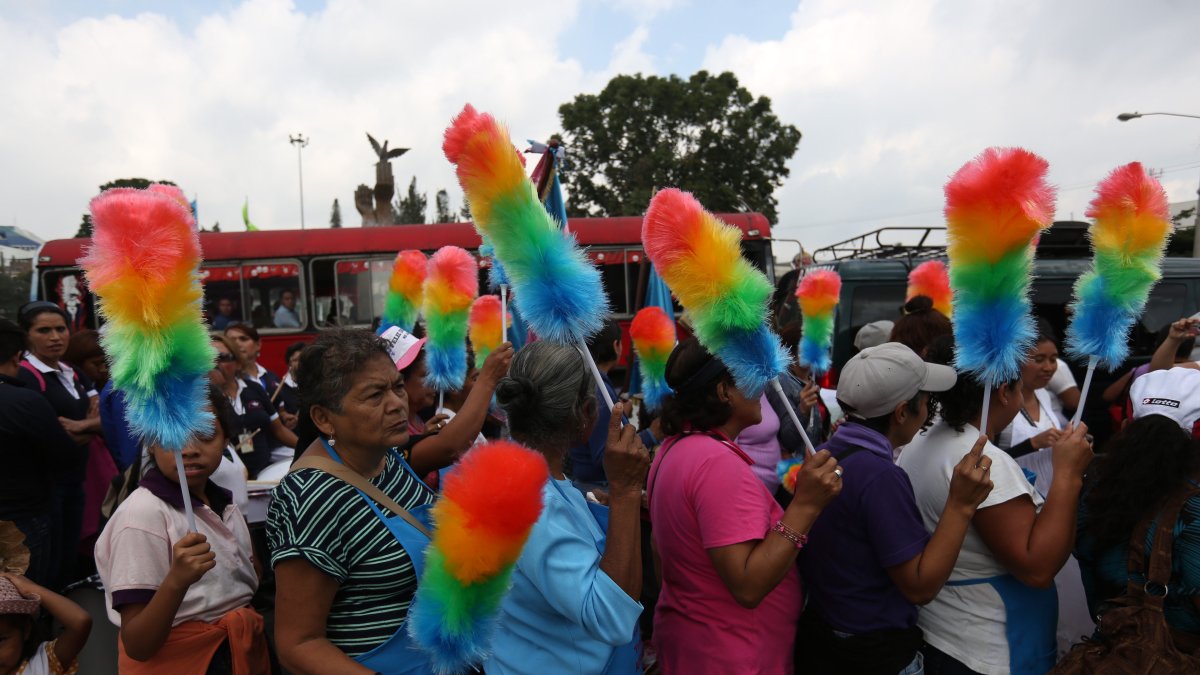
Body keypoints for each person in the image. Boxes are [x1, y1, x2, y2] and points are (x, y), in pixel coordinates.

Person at [899, 336, 1093, 675]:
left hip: (944, 635)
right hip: (989, 650)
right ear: (1003, 391)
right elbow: (1037, 568)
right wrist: (1068, 475)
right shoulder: (983, 463)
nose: (1021, 399)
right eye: (1020, 389)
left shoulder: (923, 437)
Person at [647, 338, 843, 674]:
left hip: (698, 641)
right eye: (751, 375)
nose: (764, 385)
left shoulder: (674, 448)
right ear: (724, 391)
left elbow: (660, 554)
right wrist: (806, 505)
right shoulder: (716, 463)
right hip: (731, 655)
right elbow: (748, 586)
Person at [797, 343, 991, 675]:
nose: (931, 408)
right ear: (902, 412)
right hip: (871, 654)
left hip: (826, 638)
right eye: (927, 400)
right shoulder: (880, 476)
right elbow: (920, 585)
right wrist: (961, 504)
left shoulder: (826, 455)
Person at [268, 328, 440, 673]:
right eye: (374, 396)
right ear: (323, 418)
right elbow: (298, 643)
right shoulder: (312, 498)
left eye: (397, 387)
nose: (396, 404)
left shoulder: (386, 456)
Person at [488, 341, 651, 674]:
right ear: (585, 414)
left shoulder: (519, 479)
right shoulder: (532, 502)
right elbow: (611, 618)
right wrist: (625, 491)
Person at [95, 383, 268, 674]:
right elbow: (137, 644)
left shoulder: (222, 502)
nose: (188, 450)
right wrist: (177, 580)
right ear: (150, 441)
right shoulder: (142, 517)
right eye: (171, 435)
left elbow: (249, 577)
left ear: (226, 439)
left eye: (205, 434)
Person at [1076, 367, 1200, 643]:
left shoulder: (1094, 484)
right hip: (1179, 654)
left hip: (1113, 647)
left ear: (1126, 427)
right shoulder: (1194, 506)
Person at [17, 301, 100, 587]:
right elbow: (51, 434)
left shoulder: (72, 371)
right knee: (48, 568)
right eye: (44, 330)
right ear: (26, 335)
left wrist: (83, 426)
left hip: (77, 479)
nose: (55, 337)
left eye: (60, 329)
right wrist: (90, 428)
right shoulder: (27, 376)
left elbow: (100, 412)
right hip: (48, 485)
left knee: (69, 559)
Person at [0, 320, 81, 588]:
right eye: (44, 331)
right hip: (22, 521)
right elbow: (66, 457)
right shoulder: (24, 401)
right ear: (17, 356)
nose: (54, 337)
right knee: (29, 600)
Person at [211, 335, 296, 477]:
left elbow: (279, 430)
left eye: (223, 357)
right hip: (229, 475)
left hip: (265, 471)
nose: (215, 363)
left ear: (237, 363)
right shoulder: (205, 398)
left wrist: (306, 449)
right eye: (208, 358)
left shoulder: (254, 388)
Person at [996, 318, 1063, 489]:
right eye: (1039, 359)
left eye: (1053, 359)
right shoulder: (999, 404)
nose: (1048, 367)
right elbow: (986, 460)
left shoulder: (1045, 396)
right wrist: (1032, 444)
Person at [0, 572, 91, 675]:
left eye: (0, 640)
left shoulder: (42, 663)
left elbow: (80, 622)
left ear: (26, 629)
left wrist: (31, 589)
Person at [223, 323, 281, 395]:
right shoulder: (222, 380)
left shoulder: (271, 377)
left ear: (258, 344)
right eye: (231, 340)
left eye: (243, 339)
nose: (237, 344)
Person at [275, 341, 306, 430]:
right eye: (296, 360)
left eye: (303, 360)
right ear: (289, 364)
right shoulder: (279, 387)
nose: (300, 363)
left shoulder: (315, 384)